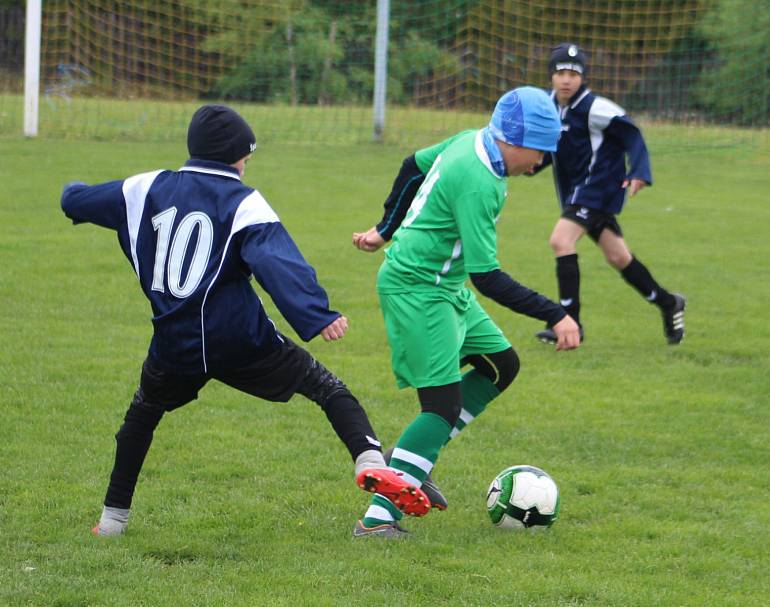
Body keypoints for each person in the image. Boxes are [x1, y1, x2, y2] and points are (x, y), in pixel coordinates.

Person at [60, 104, 430, 537]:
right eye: (246, 156)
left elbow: (76, 201)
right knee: (328, 389)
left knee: (140, 420)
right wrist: (317, 315)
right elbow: (278, 263)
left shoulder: (144, 187)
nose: (246, 163)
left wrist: (73, 191)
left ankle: (111, 522)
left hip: (174, 342)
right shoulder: (244, 201)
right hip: (239, 339)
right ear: (235, 157)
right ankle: (370, 461)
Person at [351, 87, 581, 538]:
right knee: (441, 406)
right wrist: (556, 314)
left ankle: (413, 464)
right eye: (538, 152)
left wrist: (384, 230)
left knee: (501, 366)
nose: (539, 164)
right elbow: (489, 277)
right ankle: (378, 521)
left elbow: (411, 166)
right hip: (419, 290)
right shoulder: (480, 181)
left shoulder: (470, 139)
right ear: (514, 140)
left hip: (445, 285)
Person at [531, 42, 685, 345]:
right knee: (618, 257)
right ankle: (669, 303)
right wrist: (533, 163)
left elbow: (633, 135)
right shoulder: (549, 106)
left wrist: (639, 171)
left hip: (598, 189)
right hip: (577, 194)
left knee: (561, 240)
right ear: (551, 75)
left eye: (573, 74)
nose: (566, 79)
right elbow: (557, 146)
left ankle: (570, 322)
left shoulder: (597, 108)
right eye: (560, 72)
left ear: (583, 77)